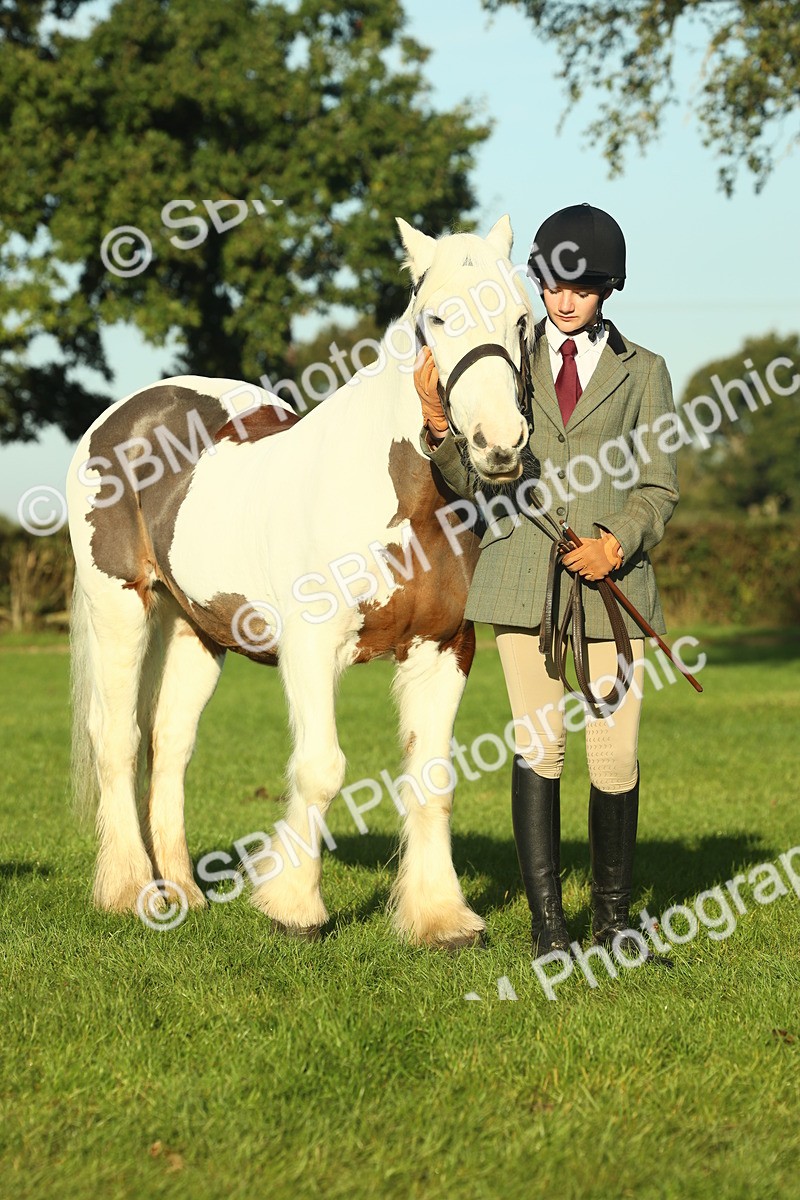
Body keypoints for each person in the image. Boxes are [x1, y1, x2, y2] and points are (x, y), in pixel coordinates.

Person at [414, 203, 679, 962]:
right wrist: (438, 426)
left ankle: (614, 919)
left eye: (585, 289)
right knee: (541, 746)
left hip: (607, 585)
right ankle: (547, 925)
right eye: (555, 285)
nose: (566, 301)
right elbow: (473, 477)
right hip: (522, 576)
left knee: (614, 756)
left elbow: (660, 487)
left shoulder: (646, 372)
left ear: (608, 291)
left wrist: (616, 544)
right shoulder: (511, 356)